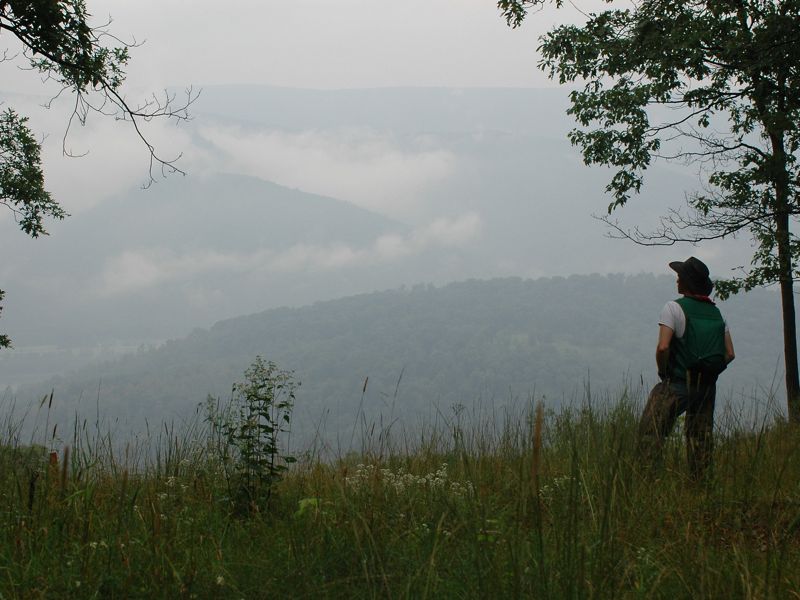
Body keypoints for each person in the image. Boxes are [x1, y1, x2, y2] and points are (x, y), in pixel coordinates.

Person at [638, 257, 735, 478]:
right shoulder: (717, 314)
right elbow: (730, 354)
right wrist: (709, 371)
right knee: (700, 439)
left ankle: (647, 481)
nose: (677, 280)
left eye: (680, 277)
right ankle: (700, 485)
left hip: (678, 383)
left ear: (687, 283)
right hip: (707, 386)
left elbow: (663, 347)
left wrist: (664, 374)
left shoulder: (673, 308)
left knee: (650, 433)